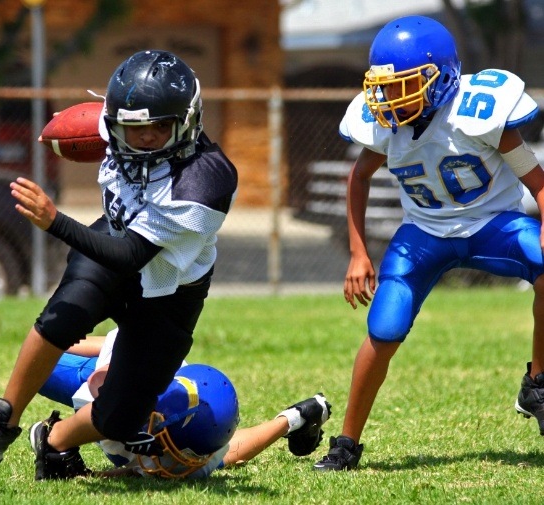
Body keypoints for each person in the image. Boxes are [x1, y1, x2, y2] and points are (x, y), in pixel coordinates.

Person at [0, 49, 239, 470]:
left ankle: (53, 440)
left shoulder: (205, 179)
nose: (145, 137)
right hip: (114, 237)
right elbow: (90, 130)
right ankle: (2, 418)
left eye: (160, 127)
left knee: (121, 417)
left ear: (188, 121)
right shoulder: (113, 127)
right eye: (132, 127)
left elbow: (133, 256)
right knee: (63, 314)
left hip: (169, 283)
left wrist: (55, 222)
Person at [313, 15, 544, 472]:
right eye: (383, 88)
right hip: (423, 235)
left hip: (493, 223)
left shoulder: (479, 113)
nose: (388, 99)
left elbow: (538, 181)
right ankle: (346, 444)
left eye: (402, 86)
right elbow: (358, 178)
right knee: (384, 330)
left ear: (442, 77)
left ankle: (537, 381)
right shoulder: (385, 126)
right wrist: (359, 253)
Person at [34, 328, 332, 479]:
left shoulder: (206, 441)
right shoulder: (136, 379)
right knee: (40, 364)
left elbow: (227, 453)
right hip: (107, 370)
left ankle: (299, 416)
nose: (177, 462)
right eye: (171, 449)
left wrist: (290, 419)